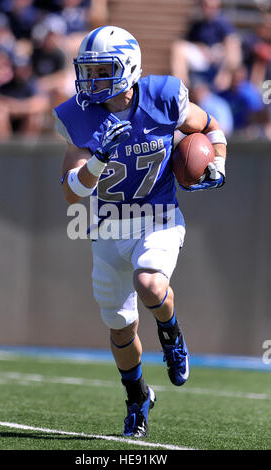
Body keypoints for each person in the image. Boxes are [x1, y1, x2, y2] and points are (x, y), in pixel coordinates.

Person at [53, 25, 227, 438]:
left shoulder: (164, 96)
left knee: (149, 282)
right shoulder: (79, 116)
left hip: (160, 215)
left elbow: (209, 126)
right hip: (108, 227)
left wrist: (217, 161)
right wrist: (97, 159)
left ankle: (172, 335)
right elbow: (71, 194)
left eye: (101, 71)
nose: (91, 81)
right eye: (88, 71)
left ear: (128, 68)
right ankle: (138, 399)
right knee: (120, 326)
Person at [170, 0, 242, 90]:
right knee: (178, 47)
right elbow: (189, 42)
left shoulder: (222, 23)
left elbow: (231, 42)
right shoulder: (197, 24)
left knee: (232, 45)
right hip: (203, 56)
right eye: (206, 6)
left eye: (212, 6)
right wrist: (202, 48)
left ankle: (226, 76)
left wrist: (224, 68)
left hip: (218, 56)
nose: (209, 9)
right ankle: (180, 87)